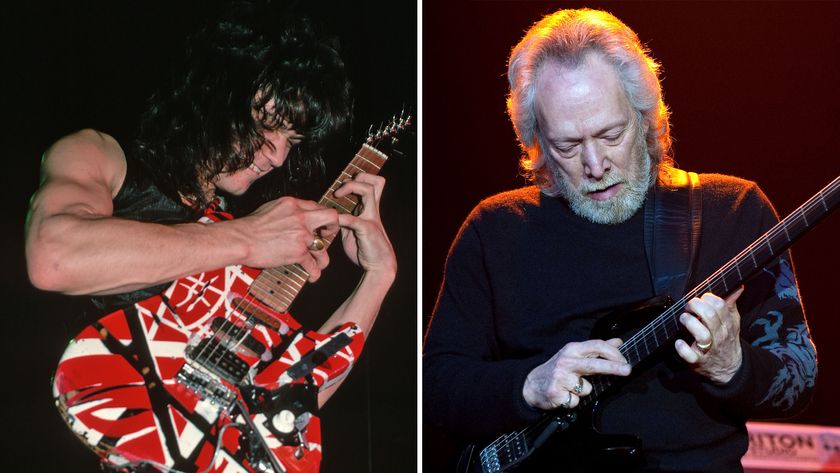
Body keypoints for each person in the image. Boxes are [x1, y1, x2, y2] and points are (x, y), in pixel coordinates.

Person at [423, 8, 817, 472]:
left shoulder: (732, 210)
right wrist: (529, 384)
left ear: (646, 116)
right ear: (537, 142)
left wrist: (732, 366)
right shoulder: (494, 229)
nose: (595, 164)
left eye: (611, 134)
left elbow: (800, 380)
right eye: (567, 145)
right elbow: (434, 387)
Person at [24, 2, 397, 471]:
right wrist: (246, 239)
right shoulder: (100, 156)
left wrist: (379, 277)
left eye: (292, 142)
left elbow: (289, 403)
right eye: (267, 126)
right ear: (216, 91)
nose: (277, 158)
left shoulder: (248, 230)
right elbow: (53, 257)